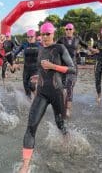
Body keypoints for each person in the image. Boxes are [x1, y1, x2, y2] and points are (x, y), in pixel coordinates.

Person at [19, 22, 75, 173]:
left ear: (53, 34)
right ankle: (25, 166)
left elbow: (72, 69)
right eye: (42, 34)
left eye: (47, 34)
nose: (44, 37)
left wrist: (53, 67)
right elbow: (41, 68)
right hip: (42, 93)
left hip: (57, 93)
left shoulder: (60, 48)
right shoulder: (40, 49)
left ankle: (67, 140)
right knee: (31, 127)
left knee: (60, 124)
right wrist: (38, 78)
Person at [56, 23, 91, 117]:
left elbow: (85, 45)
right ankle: (63, 106)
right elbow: (54, 48)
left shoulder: (77, 39)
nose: (68, 31)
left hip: (73, 66)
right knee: (62, 87)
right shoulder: (61, 39)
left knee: (70, 86)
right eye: (67, 29)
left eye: (70, 29)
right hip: (62, 65)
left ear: (73, 30)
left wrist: (93, 49)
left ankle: (68, 109)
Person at [13, 29, 40, 100]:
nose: (30, 38)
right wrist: (14, 62)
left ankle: (38, 100)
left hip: (36, 69)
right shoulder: (24, 44)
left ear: (35, 37)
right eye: (28, 37)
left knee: (31, 86)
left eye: (31, 37)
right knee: (26, 88)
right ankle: (29, 104)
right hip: (26, 69)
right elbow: (15, 53)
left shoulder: (39, 44)